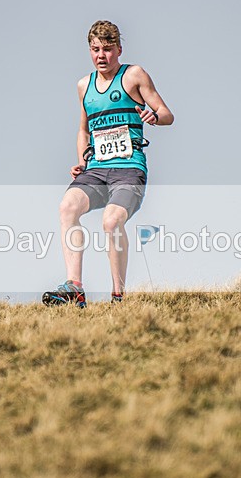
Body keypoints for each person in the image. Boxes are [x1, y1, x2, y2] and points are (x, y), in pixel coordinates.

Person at [42, 20, 174, 307]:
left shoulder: (134, 75)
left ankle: (118, 296)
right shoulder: (83, 85)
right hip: (97, 169)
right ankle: (74, 287)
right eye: (95, 50)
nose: (102, 56)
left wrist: (154, 116)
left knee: (111, 221)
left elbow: (166, 114)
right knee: (67, 206)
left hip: (129, 168)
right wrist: (81, 161)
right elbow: (83, 129)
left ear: (119, 49)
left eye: (108, 49)